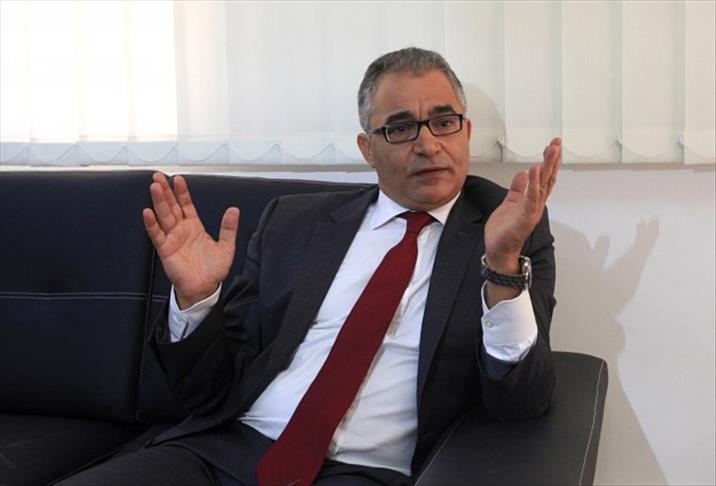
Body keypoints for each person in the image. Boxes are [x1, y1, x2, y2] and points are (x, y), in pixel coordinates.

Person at [60, 47, 561, 485]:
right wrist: (197, 300)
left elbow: (521, 401)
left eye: (443, 121)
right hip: (226, 451)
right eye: (400, 128)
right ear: (367, 149)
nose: (428, 144)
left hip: (365, 472)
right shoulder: (294, 223)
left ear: (465, 131)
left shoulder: (509, 230)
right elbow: (207, 391)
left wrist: (501, 266)